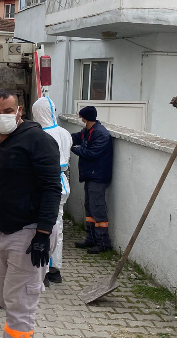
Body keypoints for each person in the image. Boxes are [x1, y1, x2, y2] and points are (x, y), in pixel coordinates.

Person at [0, 89, 61, 338]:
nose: (2, 116)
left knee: (20, 305)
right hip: (4, 231)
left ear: (19, 111)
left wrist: (43, 234)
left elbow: (51, 188)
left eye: (8, 111)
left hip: (29, 232)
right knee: (6, 298)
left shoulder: (38, 140)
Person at [32, 97, 73, 284]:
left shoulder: (41, 135)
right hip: (62, 183)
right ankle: (55, 269)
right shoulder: (65, 133)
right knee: (58, 227)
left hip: (46, 185)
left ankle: (44, 270)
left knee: (45, 226)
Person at [71, 106, 114, 254]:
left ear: (86, 118)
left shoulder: (100, 134)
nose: (80, 119)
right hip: (91, 175)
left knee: (97, 208)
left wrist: (73, 148)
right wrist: (63, 137)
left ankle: (103, 243)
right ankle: (91, 238)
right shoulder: (88, 131)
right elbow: (75, 137)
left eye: (81, 116)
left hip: (98, 176)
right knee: (89, 207)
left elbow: (92, 153)